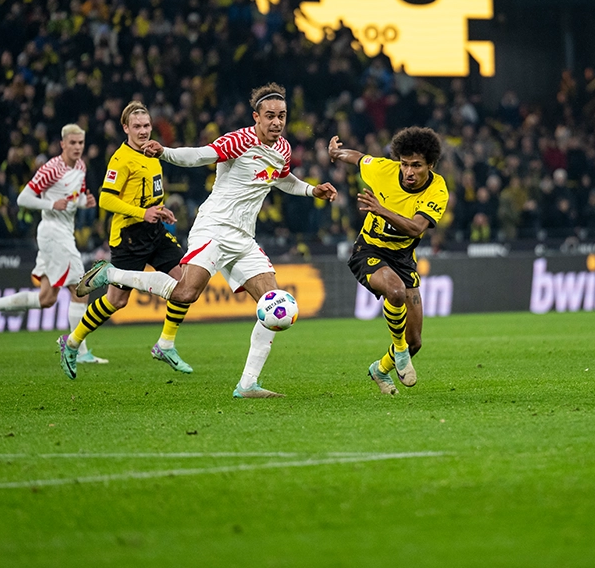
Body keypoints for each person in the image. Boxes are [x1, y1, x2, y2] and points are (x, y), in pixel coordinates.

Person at [76, 84, 338, 398]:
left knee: (273, 305)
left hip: (243, 238)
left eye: (281, 116)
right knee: (185, 293)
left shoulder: (281, 148)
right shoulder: (240, 140)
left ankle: (247, 385)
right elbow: (201, 156)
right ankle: (111, 274)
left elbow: (282, 178)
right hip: (214, 227)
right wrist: (167, 153)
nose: (277, 122)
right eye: (270, 116)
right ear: (256, 116)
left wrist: (311, 190)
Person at [56, 101, 187, 380]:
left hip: (155, 232)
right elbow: (105, 198)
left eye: (147, 126)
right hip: (129, 237)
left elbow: (149, 193)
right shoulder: (121, 159)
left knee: (185, 284)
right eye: (137, 126)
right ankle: (72, 342)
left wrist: (160, 210)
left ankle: (166, 344)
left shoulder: (153, 153)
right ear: (125, 128)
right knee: (116, 301)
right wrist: (143, 212)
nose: (143, 131)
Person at [0, 124, 106, 365]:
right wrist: (51, 205)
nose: (77, 147)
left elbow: (74, 196)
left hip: (64, 233)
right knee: (80, 288)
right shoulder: (51, 168)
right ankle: (79, 351)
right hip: (53, 234)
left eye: (80, 143)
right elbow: (23, 198)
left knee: (47, 298)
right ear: (62, 144)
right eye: (72, 143)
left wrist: (84, 201)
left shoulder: (82, 167)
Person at [328, 127, 449, 395]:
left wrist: (381, 210)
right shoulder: (383, 169)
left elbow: (416, 228)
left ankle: (380, 369)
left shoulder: (438, 190)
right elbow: (359, 157)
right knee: (395, 291)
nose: (409, 172)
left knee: (415, 340)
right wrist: (337, 152)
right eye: (405, 164)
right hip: (369, 250)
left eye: (416, 166)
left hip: (403, 258)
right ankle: (400, 351)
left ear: (430, 164)